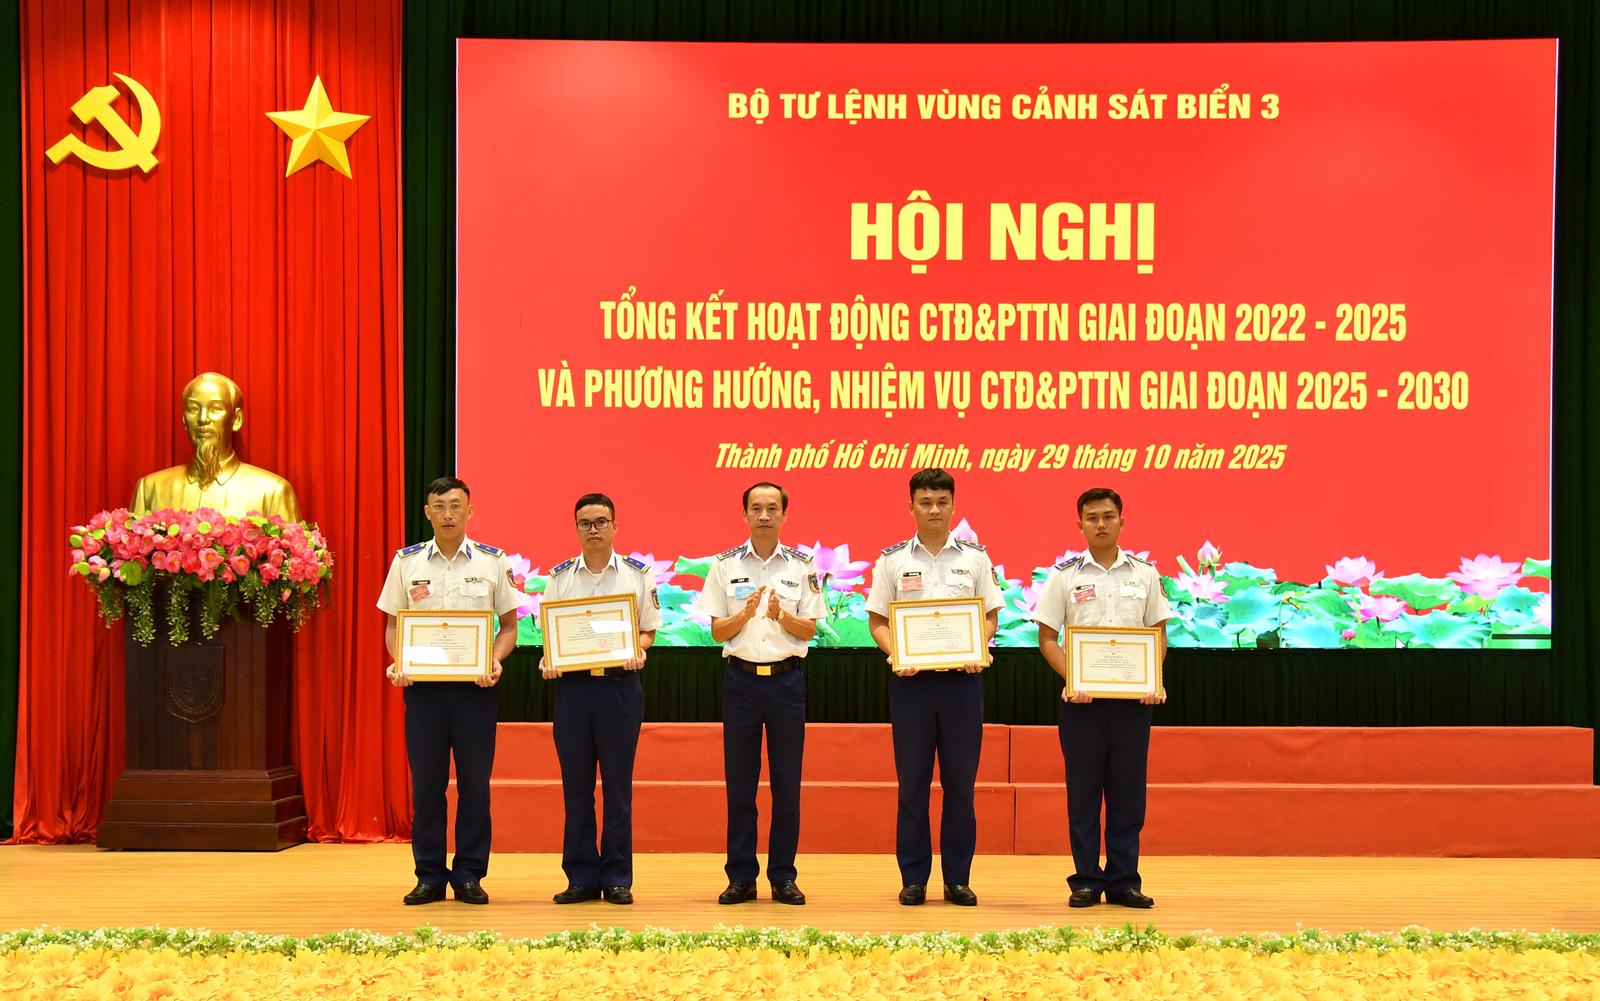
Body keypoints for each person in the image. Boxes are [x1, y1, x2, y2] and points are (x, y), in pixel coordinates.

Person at [377, 476, 521, 905]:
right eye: (439, 506)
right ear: (427, 512)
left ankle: (470, 874)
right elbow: (393, 626)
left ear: (470, 510)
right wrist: (401, 661)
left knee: (475, 786)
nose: (448, 514)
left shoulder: (493, 562)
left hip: (475, 692)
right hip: (424, 693)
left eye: (456, 505)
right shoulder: (407, 562)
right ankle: (429, 875)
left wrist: (494, 659)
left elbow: (509, 627)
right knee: (427, 787)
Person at [865, 468, 1000, 906]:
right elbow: (878, 622)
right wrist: (897, 654)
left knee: (960, 787)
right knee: (913, 787)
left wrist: (978, 645)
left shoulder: (975, 559)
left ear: (953, 506)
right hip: (912, 688)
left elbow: (991, 617)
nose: (934, 510)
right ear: (911, 507)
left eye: (942, 502)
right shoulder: (892, 561)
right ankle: (914, 878)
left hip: (962, 685)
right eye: (925, 502)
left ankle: (957, 878)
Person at [1033, 487, 1170, 910]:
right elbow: (1046, 638)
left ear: (1122, 521)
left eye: (1108, 516)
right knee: (1084, 796)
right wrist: (1073, 677)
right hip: (1082, 704)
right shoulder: (1064, 576)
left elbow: (1158, 633)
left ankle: (1125, 881)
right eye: (1092, 518)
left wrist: (1153, 677)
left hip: (1132, 704)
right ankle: (1087, 881)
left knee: (1128, 795)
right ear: (1080, 525)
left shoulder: (1144, 574)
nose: (1101, 524)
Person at [694, 482, 823, 905]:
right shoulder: (723, 565)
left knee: (787, 786)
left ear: (784, 514)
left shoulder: (802, 567)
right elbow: (718, 632)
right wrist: (745, 615)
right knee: (741, 785)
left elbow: (809, 629)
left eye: (772, 508)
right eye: (756, 508)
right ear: (745, 514)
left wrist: (780, 614)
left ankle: (783, 876)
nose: (764, 515)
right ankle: (741, 876)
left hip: (786, 682)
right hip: (741, 682)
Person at [539, 493, 660, 906]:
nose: (594, 529)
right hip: (573, 690)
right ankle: (581, 877)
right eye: (586, 523)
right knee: (576, 789)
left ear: (615, 526)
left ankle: (617, 877)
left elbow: (648, 631)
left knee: (617, 789)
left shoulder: (636, 575)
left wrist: (639, 648)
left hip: (619, 688)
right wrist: (549, 659)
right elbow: (552, 637)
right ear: (576, 528)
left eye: (601, 522)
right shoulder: (560, 578)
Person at [130, 370, 302, 521]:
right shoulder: (150, 489)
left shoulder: (272, 492)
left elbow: (291, 548)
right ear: (184, 420)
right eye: (193, 409)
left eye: (215, 409)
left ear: (236, 419)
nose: (203, 419)